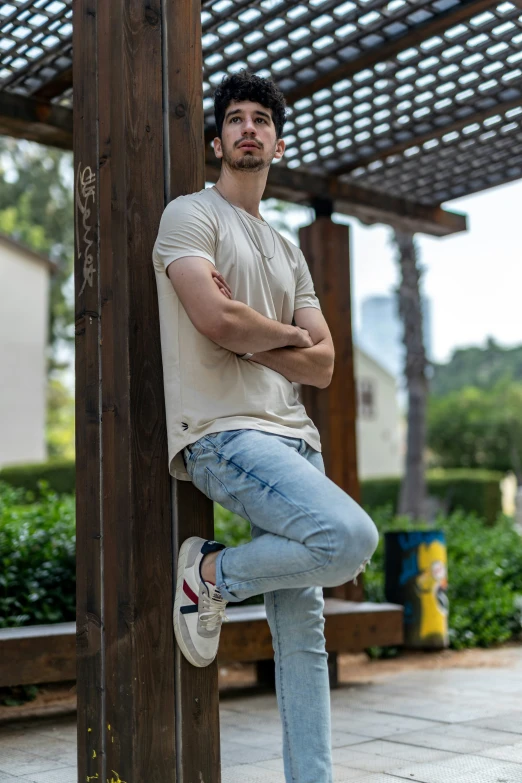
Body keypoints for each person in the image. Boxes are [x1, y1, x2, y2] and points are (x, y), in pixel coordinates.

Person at [152, 70, 379, 783]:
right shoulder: (190, 216)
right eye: (236, 119)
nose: (249, 128)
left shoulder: (285, 249)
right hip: (224, 431)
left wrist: (256, 332)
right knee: (348, 537)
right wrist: (278, 337)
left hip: (292, 439)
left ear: (277, 143)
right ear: (218, 139)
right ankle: (212, 574)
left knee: (304, 637)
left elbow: (324, 366)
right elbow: (214, 320)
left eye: (262, 120)